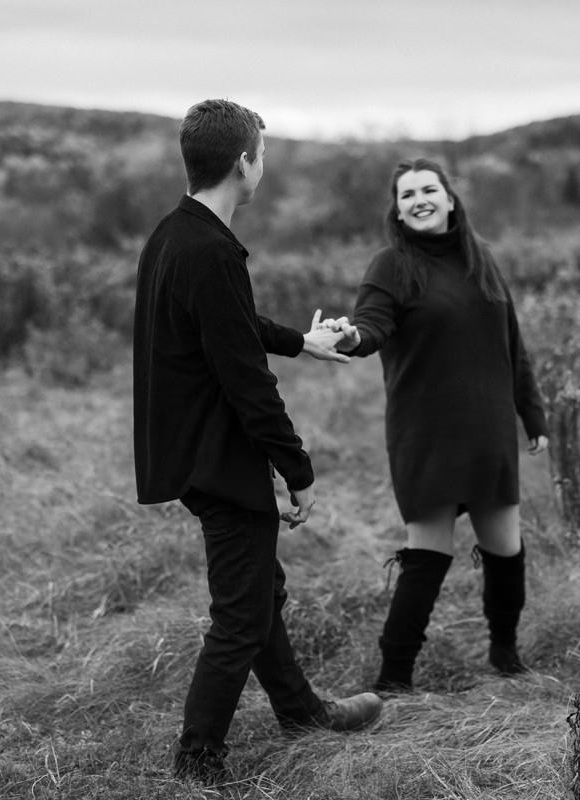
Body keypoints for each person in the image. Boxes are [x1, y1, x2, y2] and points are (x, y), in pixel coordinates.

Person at [132, 99, 382, 785]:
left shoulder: (175, 234)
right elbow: (246, 380)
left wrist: (300, 340)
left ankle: (303, 712)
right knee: (240, 616)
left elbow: (233, 326)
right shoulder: (210, 251)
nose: (263, 164)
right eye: (262, 153)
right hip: (216, 456)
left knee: (257, 590)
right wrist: (296, 467)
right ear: (244, 162)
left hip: (192, 452)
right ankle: (197, 762)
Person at [328, 157, 549, 693]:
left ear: (450, 199)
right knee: (427, 554)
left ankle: (504, 653)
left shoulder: (482, 261)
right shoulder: (392, 266)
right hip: (426, 432)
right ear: (398, 212)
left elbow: (511, 345)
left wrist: (532, 412)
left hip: (488, 428)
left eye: (429, 189)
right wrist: (350, 337)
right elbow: (372, 325)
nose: (419, 200)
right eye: (407, 195)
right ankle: (393, 678)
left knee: (506, 550)